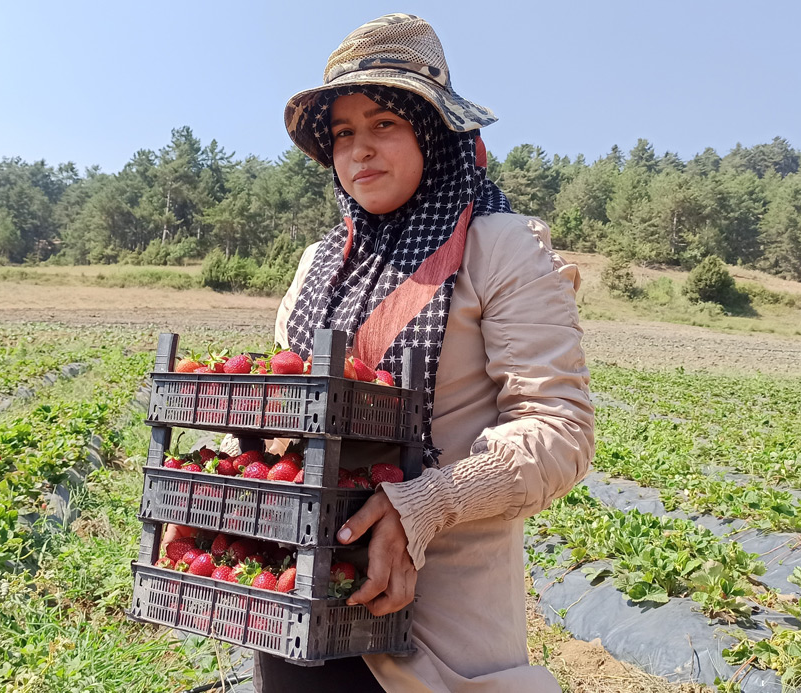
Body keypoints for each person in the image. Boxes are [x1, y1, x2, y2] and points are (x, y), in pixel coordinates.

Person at [254, 13, 596, 693]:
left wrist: (427, 502)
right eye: (343, 133)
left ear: (434, 134)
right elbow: (286, 416)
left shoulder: (500, 248)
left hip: (431, 630)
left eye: (384, 123)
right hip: (298, 601)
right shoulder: (318, 265)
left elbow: (560, 431)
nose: (360, 150)